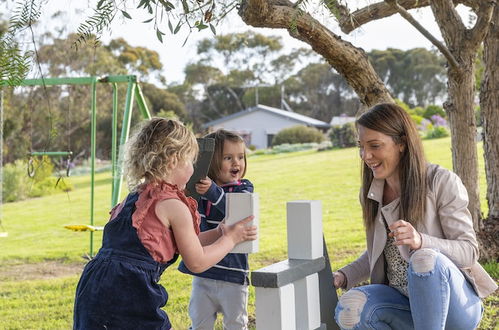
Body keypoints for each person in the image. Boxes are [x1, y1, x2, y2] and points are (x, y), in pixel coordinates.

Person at [73, 119, 257, 330]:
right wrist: (231, 239)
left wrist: (218, 232)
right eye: (190, 161)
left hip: (93, 285)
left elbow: (186, 242)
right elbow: (196, 261)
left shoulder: (136, 196)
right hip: (129, 290)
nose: (192, 168)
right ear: (173, 160)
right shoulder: (173, 205)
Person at [333, 103, 497, 330]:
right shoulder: (372, 192)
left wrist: (421, 241)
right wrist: (343, 275)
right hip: (403, 305)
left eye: (375, 146)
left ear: (401, 143)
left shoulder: (441, 181)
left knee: (424, 258)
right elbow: (378, 251)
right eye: (361, 146)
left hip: (453, 306)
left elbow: (469, 251)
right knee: (352, 308)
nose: (366, 155)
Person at [178, 129, 253, 330]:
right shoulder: (200, 191)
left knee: (235, 324)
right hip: (204, 275)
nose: (236, 163)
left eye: (240, 157)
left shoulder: (244, 188)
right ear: (211, 162)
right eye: (228, 158)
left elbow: (236, 209)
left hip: (233, 275)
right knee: (200, 322)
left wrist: (212, 191)